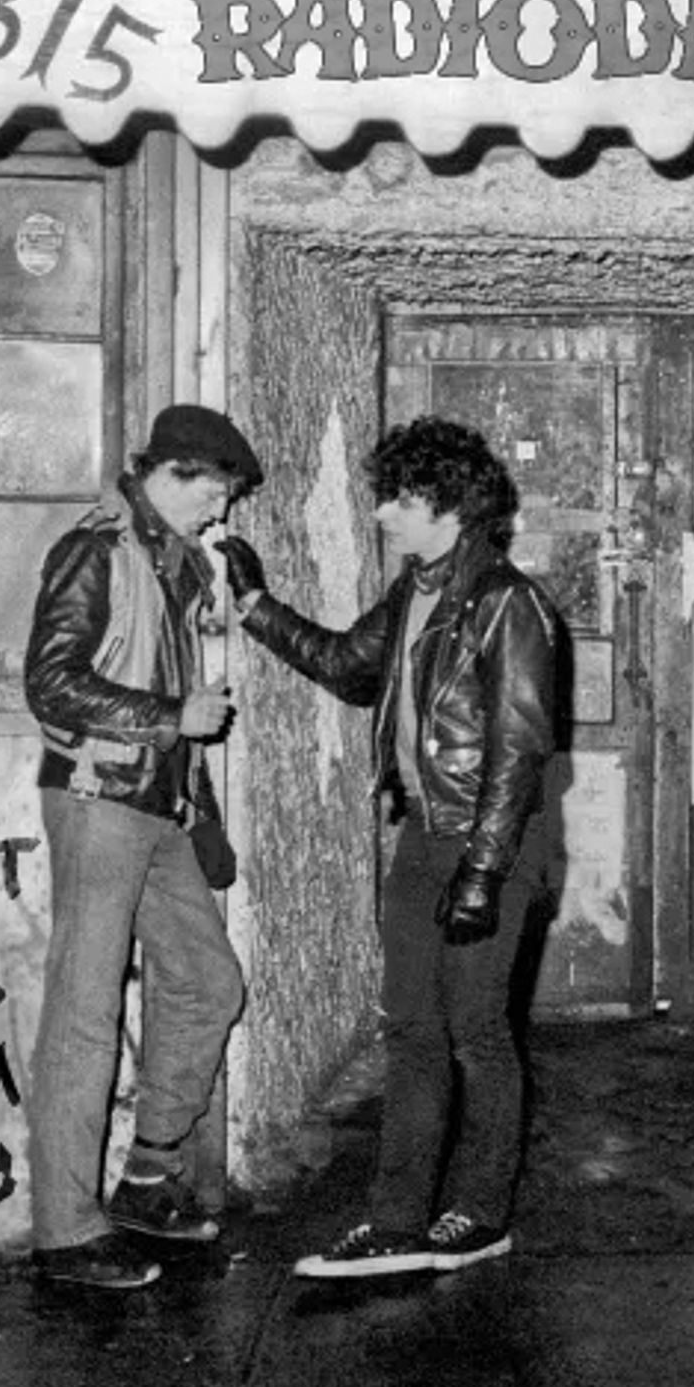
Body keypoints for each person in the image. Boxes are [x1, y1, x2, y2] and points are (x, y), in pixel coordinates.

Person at [222, 414, 564, 1278]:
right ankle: (395, 1220)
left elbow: (520, 753)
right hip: (422, 834)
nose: (382, 513)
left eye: (400, 499)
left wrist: (483, 874)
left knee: (476, 1031)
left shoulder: (507, 604)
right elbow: (349, 666)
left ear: (448, 508)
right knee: (411, 1029)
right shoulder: (417, 591)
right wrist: (257, 606)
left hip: (491, 845)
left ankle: (480, 1214)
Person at [23, 402, 262, 1289]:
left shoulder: (168, 562)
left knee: (208, 982)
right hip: (97, 799)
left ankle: (148, 1177)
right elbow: (50, 685)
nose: (221, 515)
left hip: (154, 805)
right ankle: (65, 1232)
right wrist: (171, 718)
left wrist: (199, 816)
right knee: (86, 1015)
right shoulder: (97, 550)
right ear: (177, 475)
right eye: (217, 495)